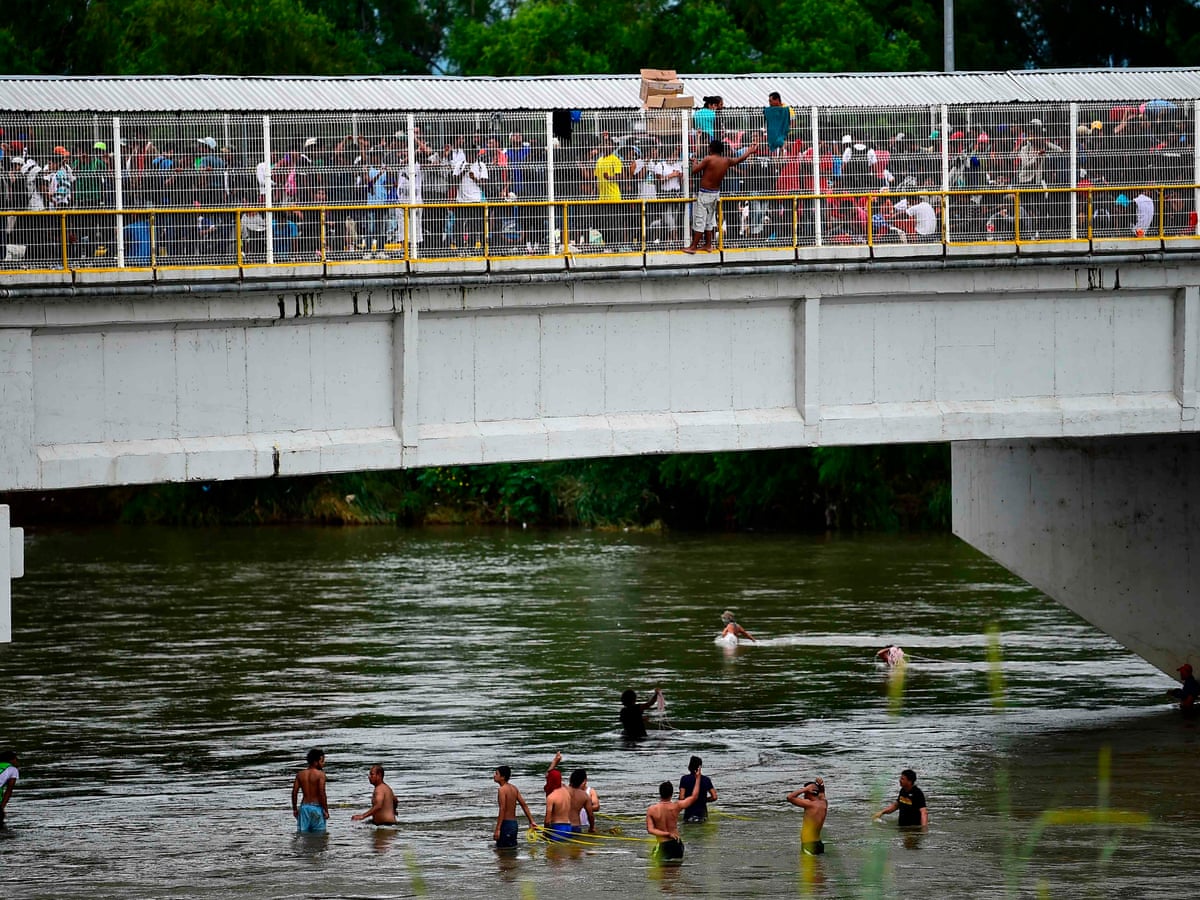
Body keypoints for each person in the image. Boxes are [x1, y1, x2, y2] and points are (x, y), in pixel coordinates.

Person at [684, 138, 759, 254]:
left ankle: (693, 247)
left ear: (711, 149)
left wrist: (694, 161)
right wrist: (749, 151)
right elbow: (739, 159)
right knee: (709, 220)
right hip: (715, 194)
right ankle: (708, 245)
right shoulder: (726, 161)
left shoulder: (709, 159)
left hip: (705, 193)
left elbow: (694, 170)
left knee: (700, 220)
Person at [646, 763, 704, 861]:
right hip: (677, 844)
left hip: (663, 844)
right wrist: (698, 778)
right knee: (676, 872)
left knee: (660, 871)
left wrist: (666, 834)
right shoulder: (676, 806)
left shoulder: (652, 809)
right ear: (672, 794)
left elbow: (650, 830)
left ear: (660, 793)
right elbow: (694, 797)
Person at [492, 765, 536, 848]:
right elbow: (524, 805)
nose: (494, 775)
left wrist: (498, 829)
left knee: (502, 852)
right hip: (514, 825)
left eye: (496, 774)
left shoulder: (502, 790)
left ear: (503, 777)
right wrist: (531, 821)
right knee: (511, 850)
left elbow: (502, 809)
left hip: (506, 824)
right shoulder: (514, 788)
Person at [292, 747, 329, 833]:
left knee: (303, 835)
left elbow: (294, 792)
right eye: (322, 761)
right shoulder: (320, 775)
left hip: (304, 808)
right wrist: (326, 810)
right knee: (320, 837)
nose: (323, 764)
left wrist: (295, 809)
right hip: (317, 808)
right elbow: (321, 793)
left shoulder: (300, 775)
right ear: (316, 762)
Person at [786, 777, 827, 855]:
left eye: (805, 793)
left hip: (809, 844)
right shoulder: (823, 802)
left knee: (810, 866)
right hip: (818, 843)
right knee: (819, 866)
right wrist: (821, 785)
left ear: (808, 792)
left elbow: (790, 797)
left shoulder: (809, 804)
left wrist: (805, 789)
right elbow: (822, 793)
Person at [678, 755, 717, 822]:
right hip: (702, 814)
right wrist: (703, 800)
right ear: (700, 767)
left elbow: (681, 797)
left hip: (689, 814)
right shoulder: (706, 779)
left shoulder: (684, 779)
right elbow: (714, 797)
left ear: (689, 767)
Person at [0, 749, 18, 827]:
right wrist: (2, 807)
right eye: (16, 759)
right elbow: (9, 790)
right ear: (11, 760)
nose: (16, 761)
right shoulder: (13, 770)